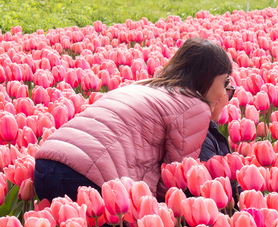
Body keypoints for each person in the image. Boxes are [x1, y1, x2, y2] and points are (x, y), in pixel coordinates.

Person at [34, 37, 234, 204]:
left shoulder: (144, 86)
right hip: (86, 178)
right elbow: (175, 177)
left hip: (44, 167)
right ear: (206, 78)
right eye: (225, 81)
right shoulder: (193, 106)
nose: (226, 90)